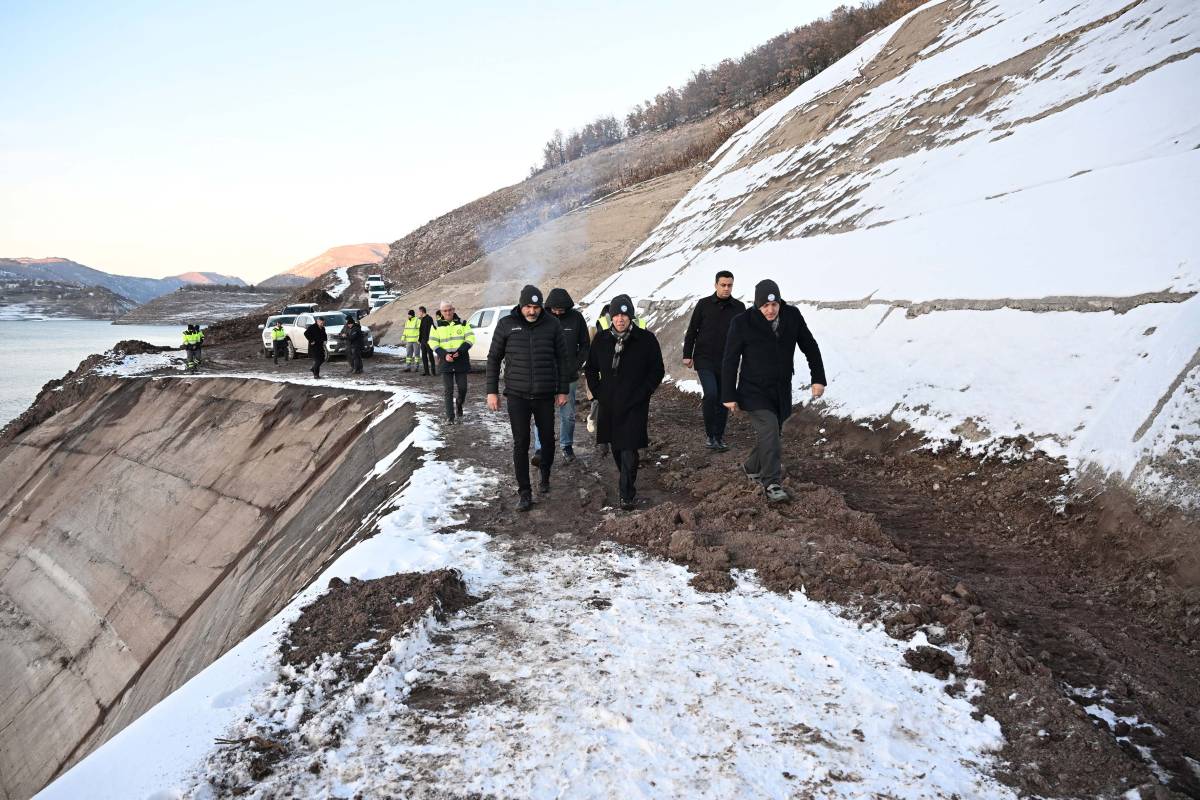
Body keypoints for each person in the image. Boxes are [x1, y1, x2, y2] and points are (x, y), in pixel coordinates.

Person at [721, 279, 826, 504]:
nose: (770, 310)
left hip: (780, 389)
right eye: (765, 306)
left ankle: (751, 466)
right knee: (769, 429)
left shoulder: (792, 316)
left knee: (771, 434)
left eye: (774, 305)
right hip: (753, 390)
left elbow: (810, 346)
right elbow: (730, 359)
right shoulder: (742, 323)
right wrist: (728, 394)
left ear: (779, 302)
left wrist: (818, 378)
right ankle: (771, 483)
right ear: (757, 305)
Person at [486, 284, 570, 512]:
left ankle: (545, 474)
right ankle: (524, 491)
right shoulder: (506, 325)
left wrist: (563, 390)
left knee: (548, 440)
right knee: (521, 443)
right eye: (528, 307)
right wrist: (491, 391)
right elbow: (493, 358)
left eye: (536, 307)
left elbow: (563, 359)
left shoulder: (552, 325)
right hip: (517, 395)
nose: (532, 311)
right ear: (521, 306)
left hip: (544, 394)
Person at [586, 294, 664, 511]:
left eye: (624, 315)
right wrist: (598, 392)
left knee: (629, 446)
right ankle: (626, 480)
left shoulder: (646, 340)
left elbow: (657, 370)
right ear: (611, 317)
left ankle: (626, 494)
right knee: (616, 447)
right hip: (609, 403)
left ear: (631, 316)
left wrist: (645, 391)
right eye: (616, 315)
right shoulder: (601, 340)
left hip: (635, 402)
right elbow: (590, 369)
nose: (620, 319)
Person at [683, 270, 744, 451]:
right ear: (716, 285)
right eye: (723, 285)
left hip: (727, 361)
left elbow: (745, 334)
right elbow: (692, 330)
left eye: (729, 285)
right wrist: (688, 354)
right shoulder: (703, 305)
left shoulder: (739, 308)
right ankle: (710, 435)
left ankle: (719, 436)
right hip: (704, 359)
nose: (726, 288)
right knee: (711, 394)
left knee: (724, 398)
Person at [532, 287, 590, 463]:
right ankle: (540, 449)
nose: (557, 312)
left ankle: (566, 446)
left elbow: (585, 346)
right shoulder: (542, 318)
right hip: (545, 376)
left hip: (569, 376)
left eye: (561, 310)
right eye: (554, 309)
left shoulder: (576, 318)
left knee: (568, 415)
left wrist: (574, 366)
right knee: (542, 414)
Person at [429, 301, 474, 423]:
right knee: (448, 390)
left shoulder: (463, 323)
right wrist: (444, 355)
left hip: (461, 360)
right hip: (445, 362)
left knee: (463, 388)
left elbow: (470, 338)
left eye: (450, 310)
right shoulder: (435, 326)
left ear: (453, 310)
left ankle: (459, 404)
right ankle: (450, 417)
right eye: (445, 310)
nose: (448, 312)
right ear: (441, 312)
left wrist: (460, 351)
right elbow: (432, 342)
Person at [417, 306, 437, 376]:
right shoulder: (422, 319)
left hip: (428, 341)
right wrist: (419, 339)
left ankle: (433, 371)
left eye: (419, 312)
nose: (418, 313)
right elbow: (421, 331)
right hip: (423, 341)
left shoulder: (429, 318)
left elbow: (432, 330)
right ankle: (426, 372)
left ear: (422, 311)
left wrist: (430, 340)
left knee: (430, 356)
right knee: (424, 356)